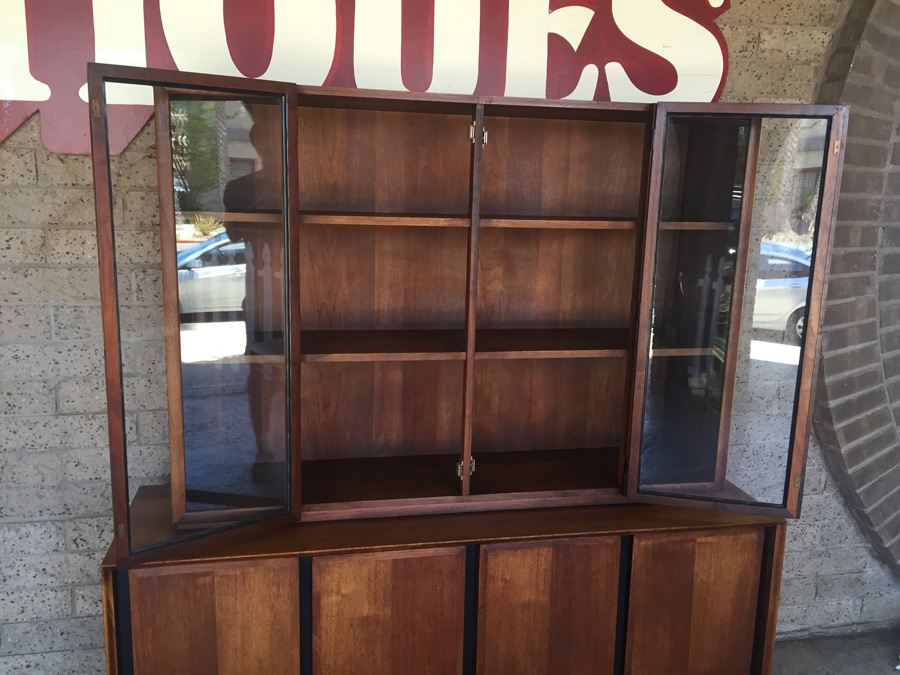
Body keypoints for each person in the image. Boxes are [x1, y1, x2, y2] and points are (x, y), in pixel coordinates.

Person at [221, 103, 285, 485]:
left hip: (305, 297)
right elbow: (233, 233)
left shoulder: (302, 180)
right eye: (266, 141)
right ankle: (264, 450)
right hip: (262, 298)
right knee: (260, 376)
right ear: (258, 144)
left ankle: (305, 446)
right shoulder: (241, 188)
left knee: (306, 374)